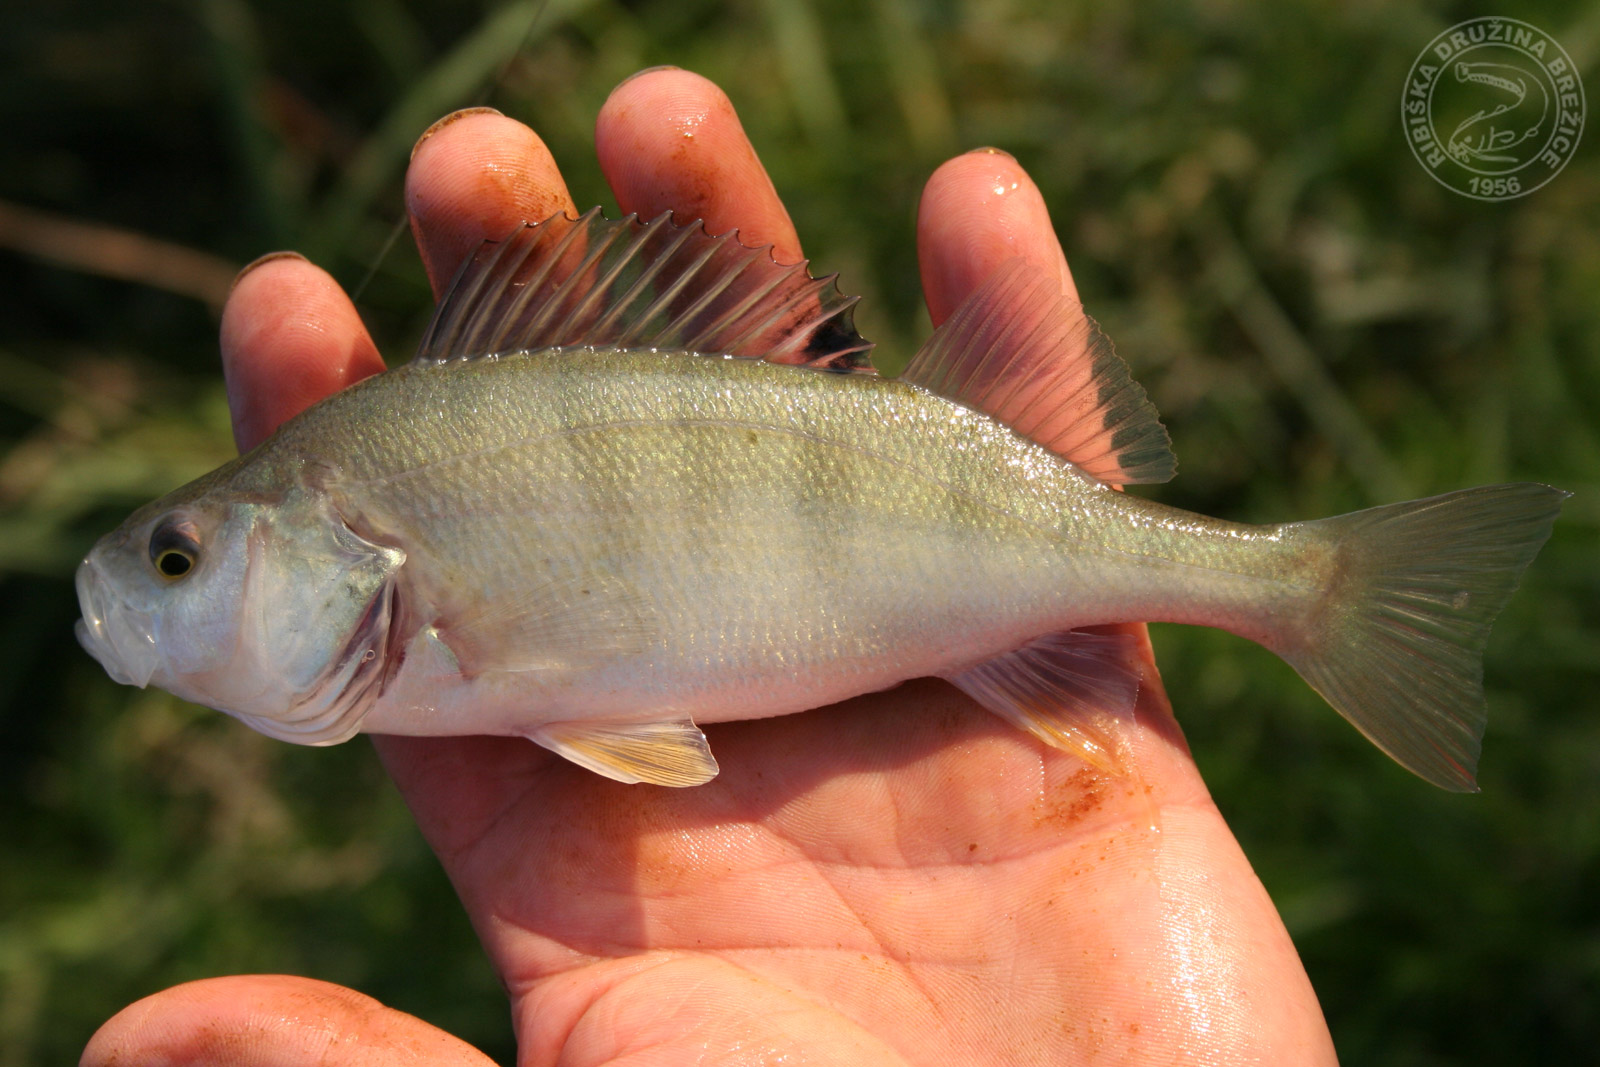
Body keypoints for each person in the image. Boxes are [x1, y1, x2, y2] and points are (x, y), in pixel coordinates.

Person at [81, 68, 1338, 1065]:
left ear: (340, 540)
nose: (144, 592)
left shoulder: (401, 543)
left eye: (178, 559)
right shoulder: (396, 548)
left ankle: (1303, 587)